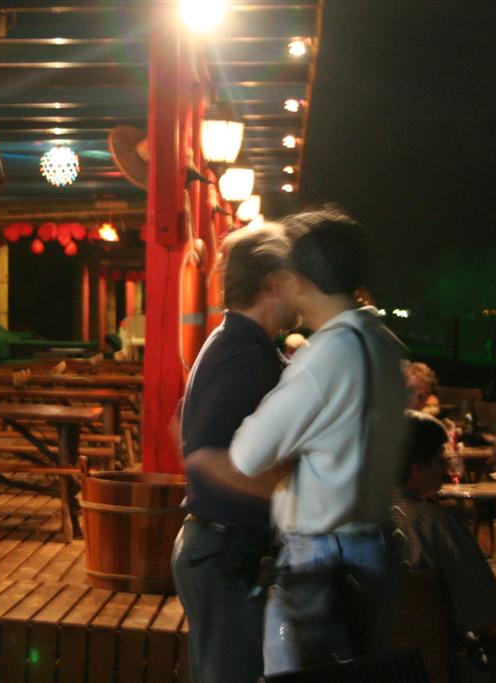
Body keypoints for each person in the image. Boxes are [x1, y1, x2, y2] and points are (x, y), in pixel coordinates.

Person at [195, 206, 410, 675]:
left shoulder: (325, 356)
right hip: (376, 548)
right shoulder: (384, 344)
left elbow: (247, 453)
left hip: (324, 563)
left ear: (296, 280)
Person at [171, 224, 298, 683]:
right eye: (296, 279)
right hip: (225, 553)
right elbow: (204, 452)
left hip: (216, 547)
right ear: (272, 285)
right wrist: (295, 498)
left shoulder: (233, 341)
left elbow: (180, 424)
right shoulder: (247, 355)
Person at [392, 411, 496, 680]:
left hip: (369, 669)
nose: (446, 469)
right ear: (417, 468)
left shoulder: (348, 521)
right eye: (440, 460)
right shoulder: (437, 525)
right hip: (440, 669)